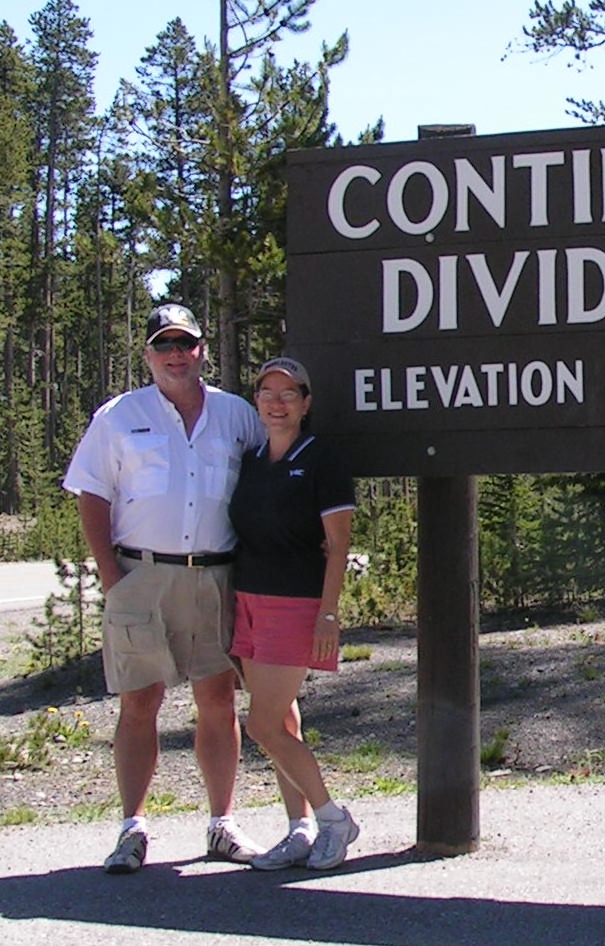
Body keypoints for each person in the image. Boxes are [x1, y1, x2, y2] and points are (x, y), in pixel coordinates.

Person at [62, 303, 266, 875]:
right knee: (139, 702)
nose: (177, 355)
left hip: (215, 575)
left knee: (218, 700)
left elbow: (268, 479)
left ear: (202, 350)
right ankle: (132, 828)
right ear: (148, 354)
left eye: (186, 343)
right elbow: (91, 495)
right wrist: (112, 578)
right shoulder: (118, 417)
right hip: (141, 576)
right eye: (164, 345)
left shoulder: (236, 416)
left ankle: (222, 823)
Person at [228, 355, 362, 871]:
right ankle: (298, 829)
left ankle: (333, 818)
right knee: (281, 718)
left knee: (261, 725)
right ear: (256, 401)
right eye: (268, 393)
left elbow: (338, 543)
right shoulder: (251, 459)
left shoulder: (322, 459)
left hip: (296, 604)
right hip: (249, 600)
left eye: (289, 394)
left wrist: (328, 613)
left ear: (306, 404)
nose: (277, 403)